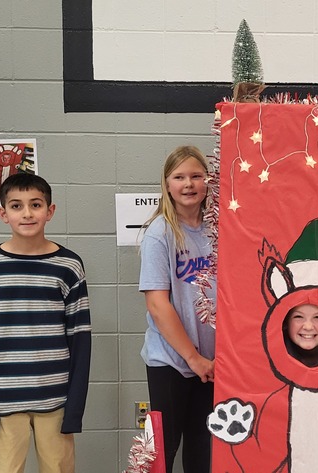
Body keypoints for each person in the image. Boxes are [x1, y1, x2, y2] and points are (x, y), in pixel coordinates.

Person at [0, 173, 92, 473]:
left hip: (56, 398)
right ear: (3, 213)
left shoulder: (69, 267)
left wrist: (74, 409)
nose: (27, 213)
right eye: (17, 206)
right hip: (3, 402)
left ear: (50, 210)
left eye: (35, 204)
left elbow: (80, 340)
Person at [139, 145, 215, 473]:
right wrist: (193, 359)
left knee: (204, 449)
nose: (188, 184)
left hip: (214, 363)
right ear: (166, 184)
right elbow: (158, 305)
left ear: (208, 181)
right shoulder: (160, 233)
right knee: (161, 454)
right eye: (179, 177)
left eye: (196, 176)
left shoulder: (221, 229)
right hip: (171, 361)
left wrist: (210, 361)